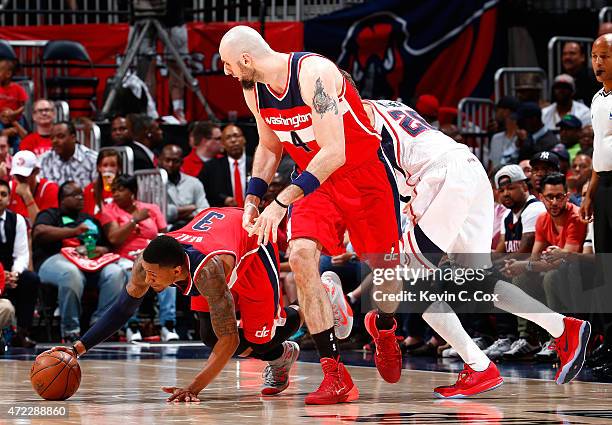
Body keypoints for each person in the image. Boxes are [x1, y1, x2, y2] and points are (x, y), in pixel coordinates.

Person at [219, 26, 402, 404]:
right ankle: (334, 373)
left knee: (386, 277)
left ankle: (383, 328)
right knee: (300, 256)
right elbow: (269, 147)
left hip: (361, 175)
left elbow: (335, 151)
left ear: (247, 60)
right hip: (314, 183)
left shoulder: (312, 74)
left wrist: (281, 201)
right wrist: (253, 198)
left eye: (228, 64)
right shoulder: (252, 89)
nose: (227, 72)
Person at [362, 98, 590, 398]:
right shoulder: (388, 104)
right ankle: (563, 328)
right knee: (478, 279)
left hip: (438, 177)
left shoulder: (353, 117)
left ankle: (475, 364)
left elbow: (381, 181)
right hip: (468, 166)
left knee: (413, 286)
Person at [50, 207, 352, 400]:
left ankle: (323, 297)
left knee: (256, 340)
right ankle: (282, 356)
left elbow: (230, 339)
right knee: (209, 336)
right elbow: (124, 307)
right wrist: (78, 348)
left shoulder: (208, 273)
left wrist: (193, 388)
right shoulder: (148, 263)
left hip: (252, 246)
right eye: (149, 273)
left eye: (156, 277)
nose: (150, 281)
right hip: (216, 234)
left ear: (177, 272)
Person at [32, 181, 126, 342]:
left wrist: (101, 250)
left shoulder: (89, 219)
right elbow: (39, 232)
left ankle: (101, 326)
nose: (81, 198)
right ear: (62, 199)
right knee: (71, 273)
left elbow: (107, 245)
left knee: (115, 273)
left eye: (82, 195)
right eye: (75, 195)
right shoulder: (51, 214)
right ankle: (70, 331)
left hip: (89, 262)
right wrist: (74, 231)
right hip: (55, 261)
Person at [99, 175, 175, 341]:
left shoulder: (151, 209)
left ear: (132, 191)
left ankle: (168, 325)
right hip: (125, 258)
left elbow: (165, 234)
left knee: (169, 276)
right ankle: (132, 326)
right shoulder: (109, 210)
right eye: (114, 191)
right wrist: (134, 220)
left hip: (152, 256)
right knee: (128, 274)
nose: (116, 194)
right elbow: (114, 239)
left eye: (121, 189)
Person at [581, 33, 612, 373]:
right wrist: (589, 193)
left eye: (605, 56)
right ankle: (609, 344)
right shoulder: (598, 99)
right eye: (595, 56)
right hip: (603, 187)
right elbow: (598, 153)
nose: (599, 63)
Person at [0, 179, 40, 347]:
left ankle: (22, 333)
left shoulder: (17, 220)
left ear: (9, 198)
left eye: (3, 194)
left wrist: (14, 274)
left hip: (10, 272)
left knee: (31, 279)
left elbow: (22, 254)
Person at [199, 124, 252, 208]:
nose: (233, 140)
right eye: (228, 138)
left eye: (236, 136)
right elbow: (204, 193)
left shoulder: (255, 163)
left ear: (244, 139)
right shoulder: (211, 167)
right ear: (222, 144)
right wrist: (223, 199)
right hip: (225, 213)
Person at [158, 145, 209, 230]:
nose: (170, 164)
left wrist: (176, 214)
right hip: (165, 231)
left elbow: (204, 211)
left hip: (191, 229)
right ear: (160, 161)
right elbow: (160, 214)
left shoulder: (194, 182)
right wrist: (189, 209)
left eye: (175, 161)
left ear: (182, 162)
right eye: (167, 160)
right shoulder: (153, 184)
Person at [39, 121, 98, 188]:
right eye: (52, 138)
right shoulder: (43, 160)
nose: (54, 141)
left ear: (73, 138)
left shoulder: (93, 159)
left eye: (60, 136)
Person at [9, 150, 59, 223]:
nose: (20, 180)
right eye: (17, 175)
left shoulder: (50, 189)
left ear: (36, 171)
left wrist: (28, 198)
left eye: (24, 176)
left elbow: (42, 228)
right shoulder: (10, 188)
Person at [83, 149, 122, 217]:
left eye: (113, 165)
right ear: (99, 168)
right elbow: (86, 215)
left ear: (118, 168)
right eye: (105, 165)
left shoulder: (124, 188)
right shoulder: (90, 189)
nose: (108, 169)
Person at [561, 42, 599, 106]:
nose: (567, 57)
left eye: (572, 53)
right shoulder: (561, 79)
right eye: (564, 54)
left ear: (582, 57)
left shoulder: (594, 78)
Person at [489, 96, 519, 169]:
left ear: (506, 112)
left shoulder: (521, 139)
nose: (496, 114)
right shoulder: (496, 137)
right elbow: (492, 165)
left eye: (497, 110)